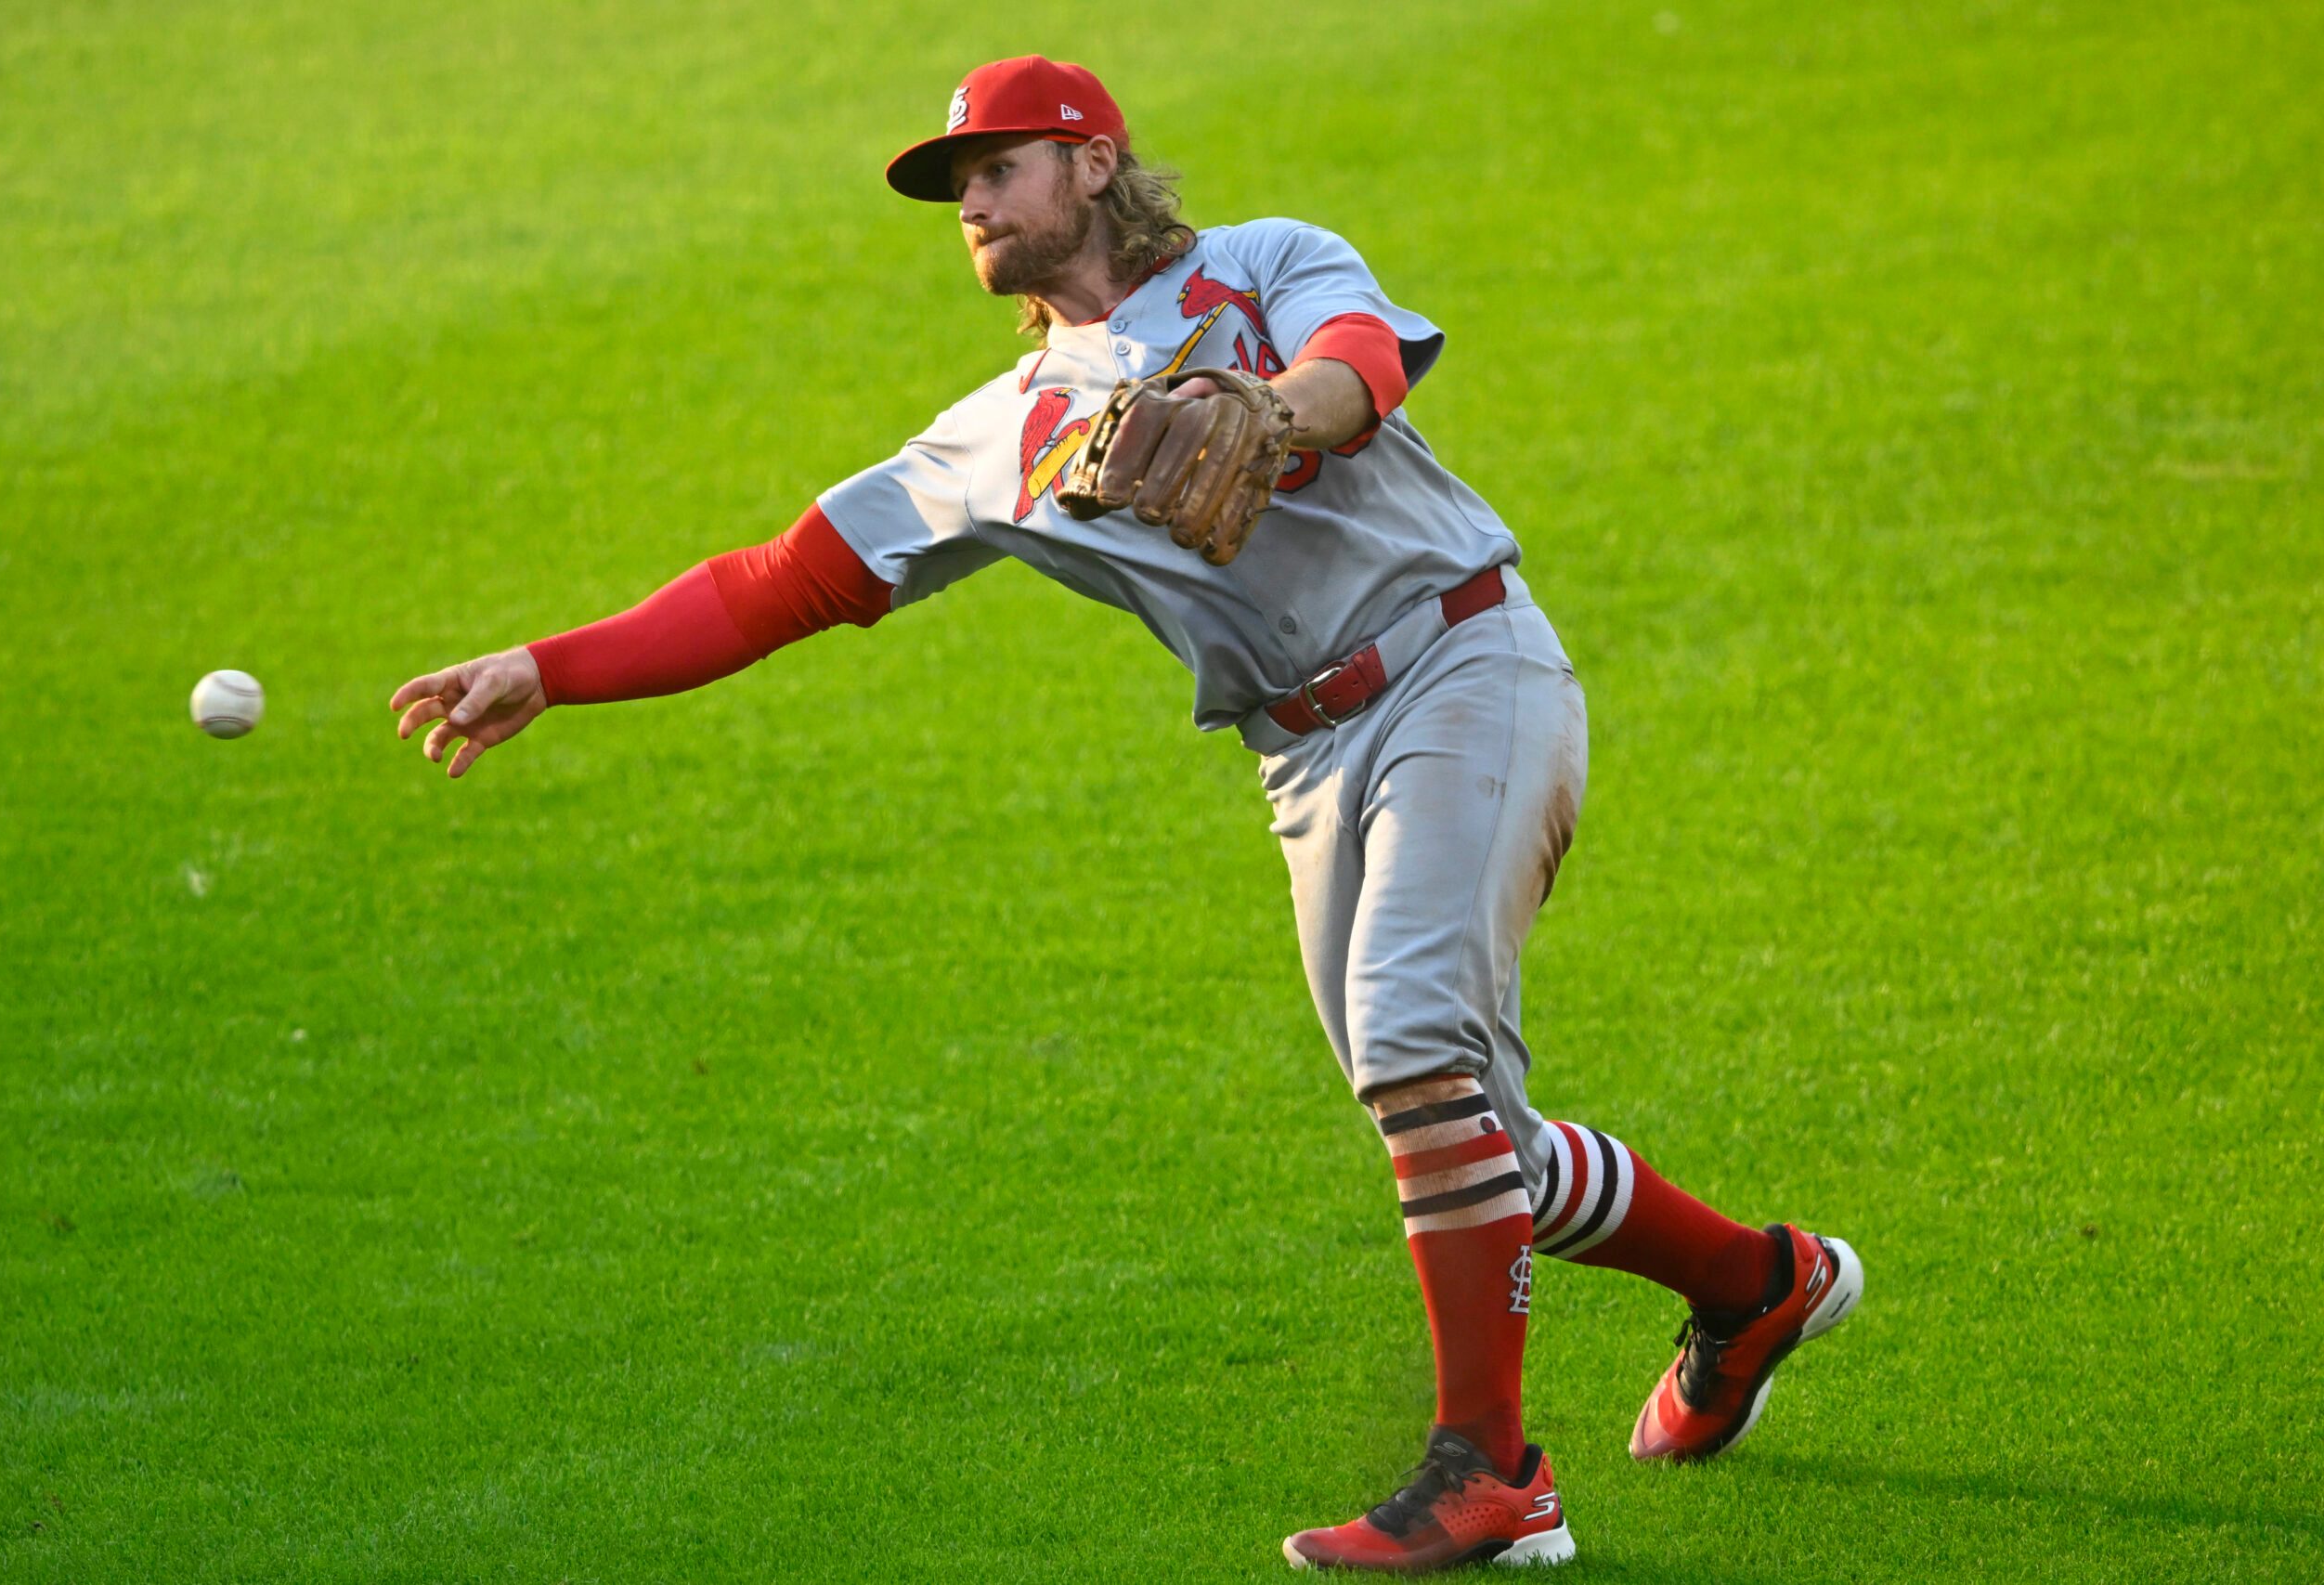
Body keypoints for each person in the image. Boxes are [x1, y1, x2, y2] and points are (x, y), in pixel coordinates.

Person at [387, 56, 1863, 1573]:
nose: (967, 200)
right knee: (1451, 1128)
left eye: (995, 167)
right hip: (1303, 761)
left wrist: (1263, 412)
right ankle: (1757, 1284)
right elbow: (780, 583)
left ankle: (1490, 1474)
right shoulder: (991, 439)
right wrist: (547, 671)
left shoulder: (1264, 263)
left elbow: (1363, 367)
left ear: (1094, 164)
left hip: (1461, 663)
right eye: (952, 186)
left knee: (1423, 1055)